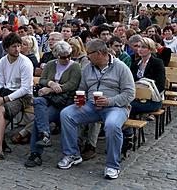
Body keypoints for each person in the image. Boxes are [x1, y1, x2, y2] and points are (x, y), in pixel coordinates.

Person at [57, 39, 135, 180]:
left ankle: (112, 165)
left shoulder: (121, 67)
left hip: (115, 107)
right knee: (66, 114)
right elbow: (82, 88)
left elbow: (130, 94)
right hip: (91, 106)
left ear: (99, 53)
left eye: (89, 54)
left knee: (111, 125)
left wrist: (109, 101)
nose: (87, 57)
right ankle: (72, 154)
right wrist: (79, 99)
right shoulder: (88, 68)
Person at [25, 41, 81, 168]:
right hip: (49, 99)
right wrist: (51, 83)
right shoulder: (50, 64)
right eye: (62, 57)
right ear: (56, 55)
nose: (66, 59)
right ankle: (44, 134)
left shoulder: (75, 67)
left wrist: (50, 89)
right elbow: (43, 80)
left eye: (68, 56)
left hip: (63, 102)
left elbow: (72, 85)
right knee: (38, 101)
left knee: (38, 121)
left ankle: (36, 153)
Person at [0, 32, 34, 163]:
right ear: (6, 48)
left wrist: (4, 100)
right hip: (6, 91)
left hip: (24, 96)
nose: (17, 49)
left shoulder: (25, 62)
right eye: (14, 47)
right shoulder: (3, 61)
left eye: (18, 46)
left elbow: (25, 89)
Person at [129, 37, 165, 115]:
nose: (140, 49)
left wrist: (145, 94)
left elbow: (160, 85)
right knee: (123, 103)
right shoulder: (135, 63)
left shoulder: (157, 63)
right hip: (136, 97)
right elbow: (131, 81)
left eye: (143, 47)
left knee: (128, 106)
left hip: (153, 99)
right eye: (138, 47)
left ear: (150, 49)